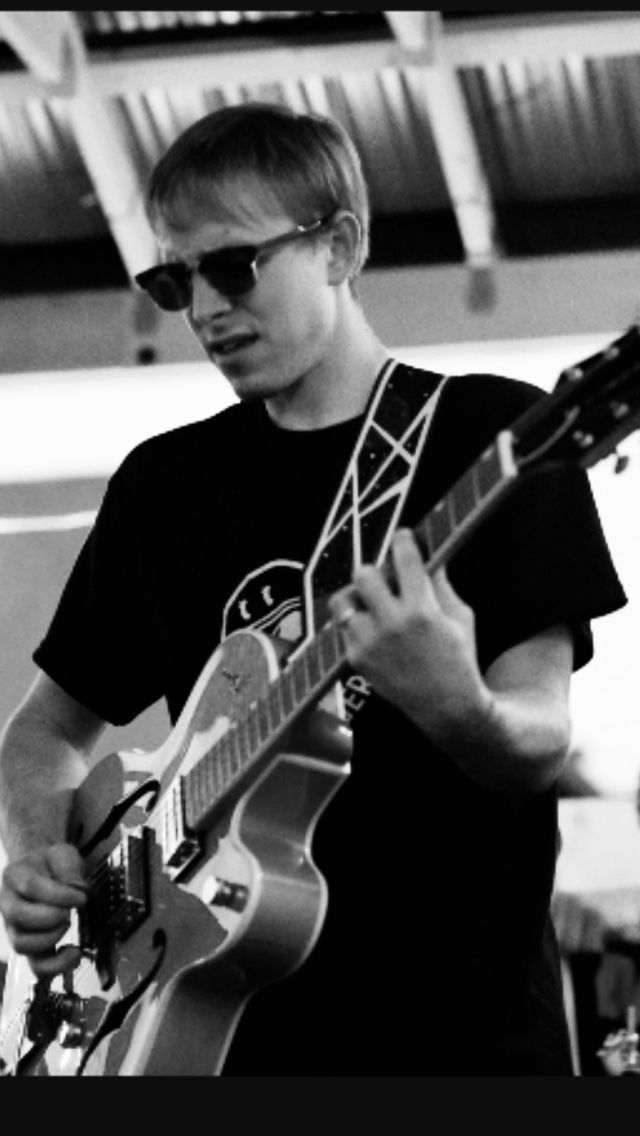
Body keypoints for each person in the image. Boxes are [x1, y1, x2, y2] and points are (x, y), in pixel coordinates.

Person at [0, 101, 627, 1076]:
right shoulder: (163, 489)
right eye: (175, 279)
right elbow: (44, 731)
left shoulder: (494, 441)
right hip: (210, 1038)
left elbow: (540, 734)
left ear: (340, 245)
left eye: (232, 265)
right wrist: (41, 851)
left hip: (464, 1044)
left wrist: (461, 709)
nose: (203, 307)